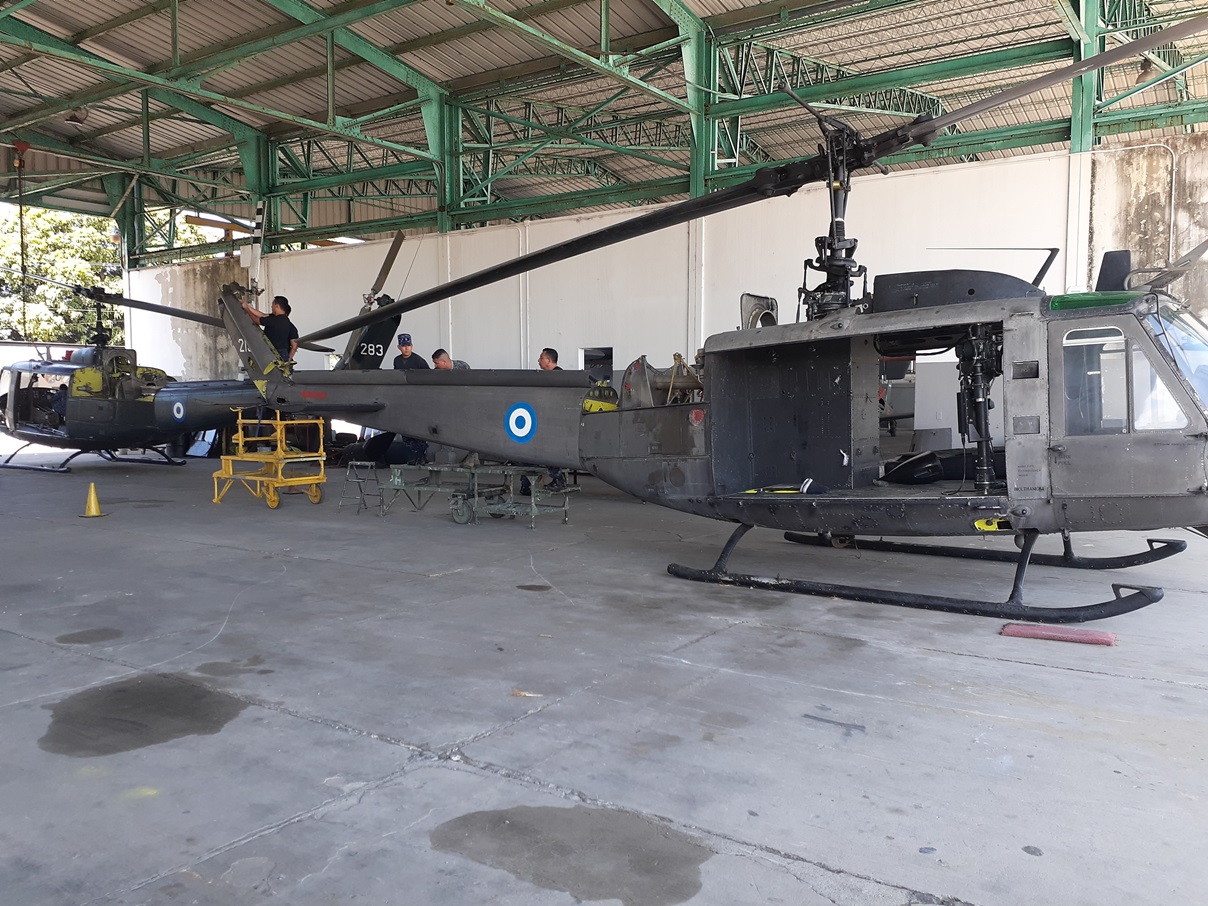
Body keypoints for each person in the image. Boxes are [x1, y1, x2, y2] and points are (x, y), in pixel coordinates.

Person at [242, 295, 299, 361]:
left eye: (272, 305)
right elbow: (294, 345)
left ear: (277, 306)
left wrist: (246, 309)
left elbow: (256, 320)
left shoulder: (273, 320)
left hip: (270, 353)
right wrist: (289, 359)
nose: (271, 307)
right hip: (284, 355)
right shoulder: (290, 325)